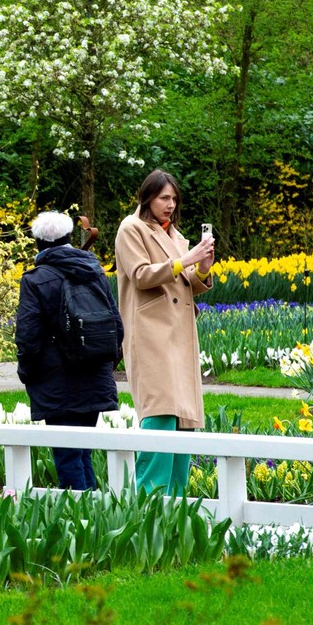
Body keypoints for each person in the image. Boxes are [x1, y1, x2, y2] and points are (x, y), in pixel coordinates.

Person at [115, 170, 214, 495]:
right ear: (148, 197)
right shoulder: (131, 229)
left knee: (184, 422)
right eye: (163, 198)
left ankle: (177, 510)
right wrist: (185, 259)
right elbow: (141, 275)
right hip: (151, 335)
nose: (170, 205)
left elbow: (184, 284)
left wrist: (201, 269)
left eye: (174, 199)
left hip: (179, 337)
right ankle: (150, 507)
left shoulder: (175, 235)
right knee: (160, 415)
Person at [14, 211, 123, 491]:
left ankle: (79, 521)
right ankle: (95, 514)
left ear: (38, 243)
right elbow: (116, 323)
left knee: (67, 455)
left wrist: (27, 373)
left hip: (56, 380)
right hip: (95, 374)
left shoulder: (35, 279)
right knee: (82, 451)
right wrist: (105, 365)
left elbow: (28, 336)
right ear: (68, 239)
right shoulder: (93, 270)